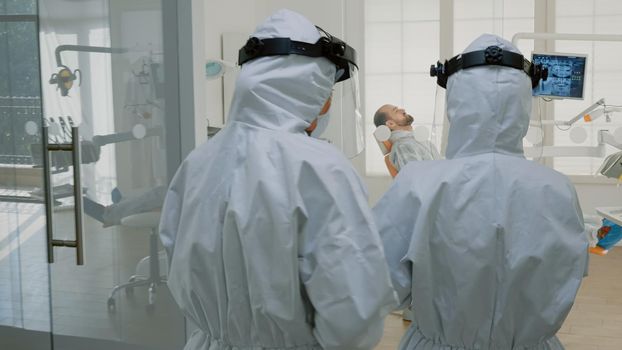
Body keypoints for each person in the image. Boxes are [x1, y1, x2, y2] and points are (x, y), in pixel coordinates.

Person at [159, 9, 396, 350]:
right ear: (308, 85)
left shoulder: (198, 162)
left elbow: (178, 265)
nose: (327, 103)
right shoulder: (321, 168)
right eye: (327, 89)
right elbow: (353, 314)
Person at [373, 34, 589, 349]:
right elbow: (568, 275)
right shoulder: (558, 189)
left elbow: (380, 282)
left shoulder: (419, 183)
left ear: (456, 100)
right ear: (523, 102)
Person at [373, 104, 440, 172]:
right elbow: (416, 177)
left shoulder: (417, 142)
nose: (403, 110)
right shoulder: (402, 146)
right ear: (391, 124)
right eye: (396, 111)